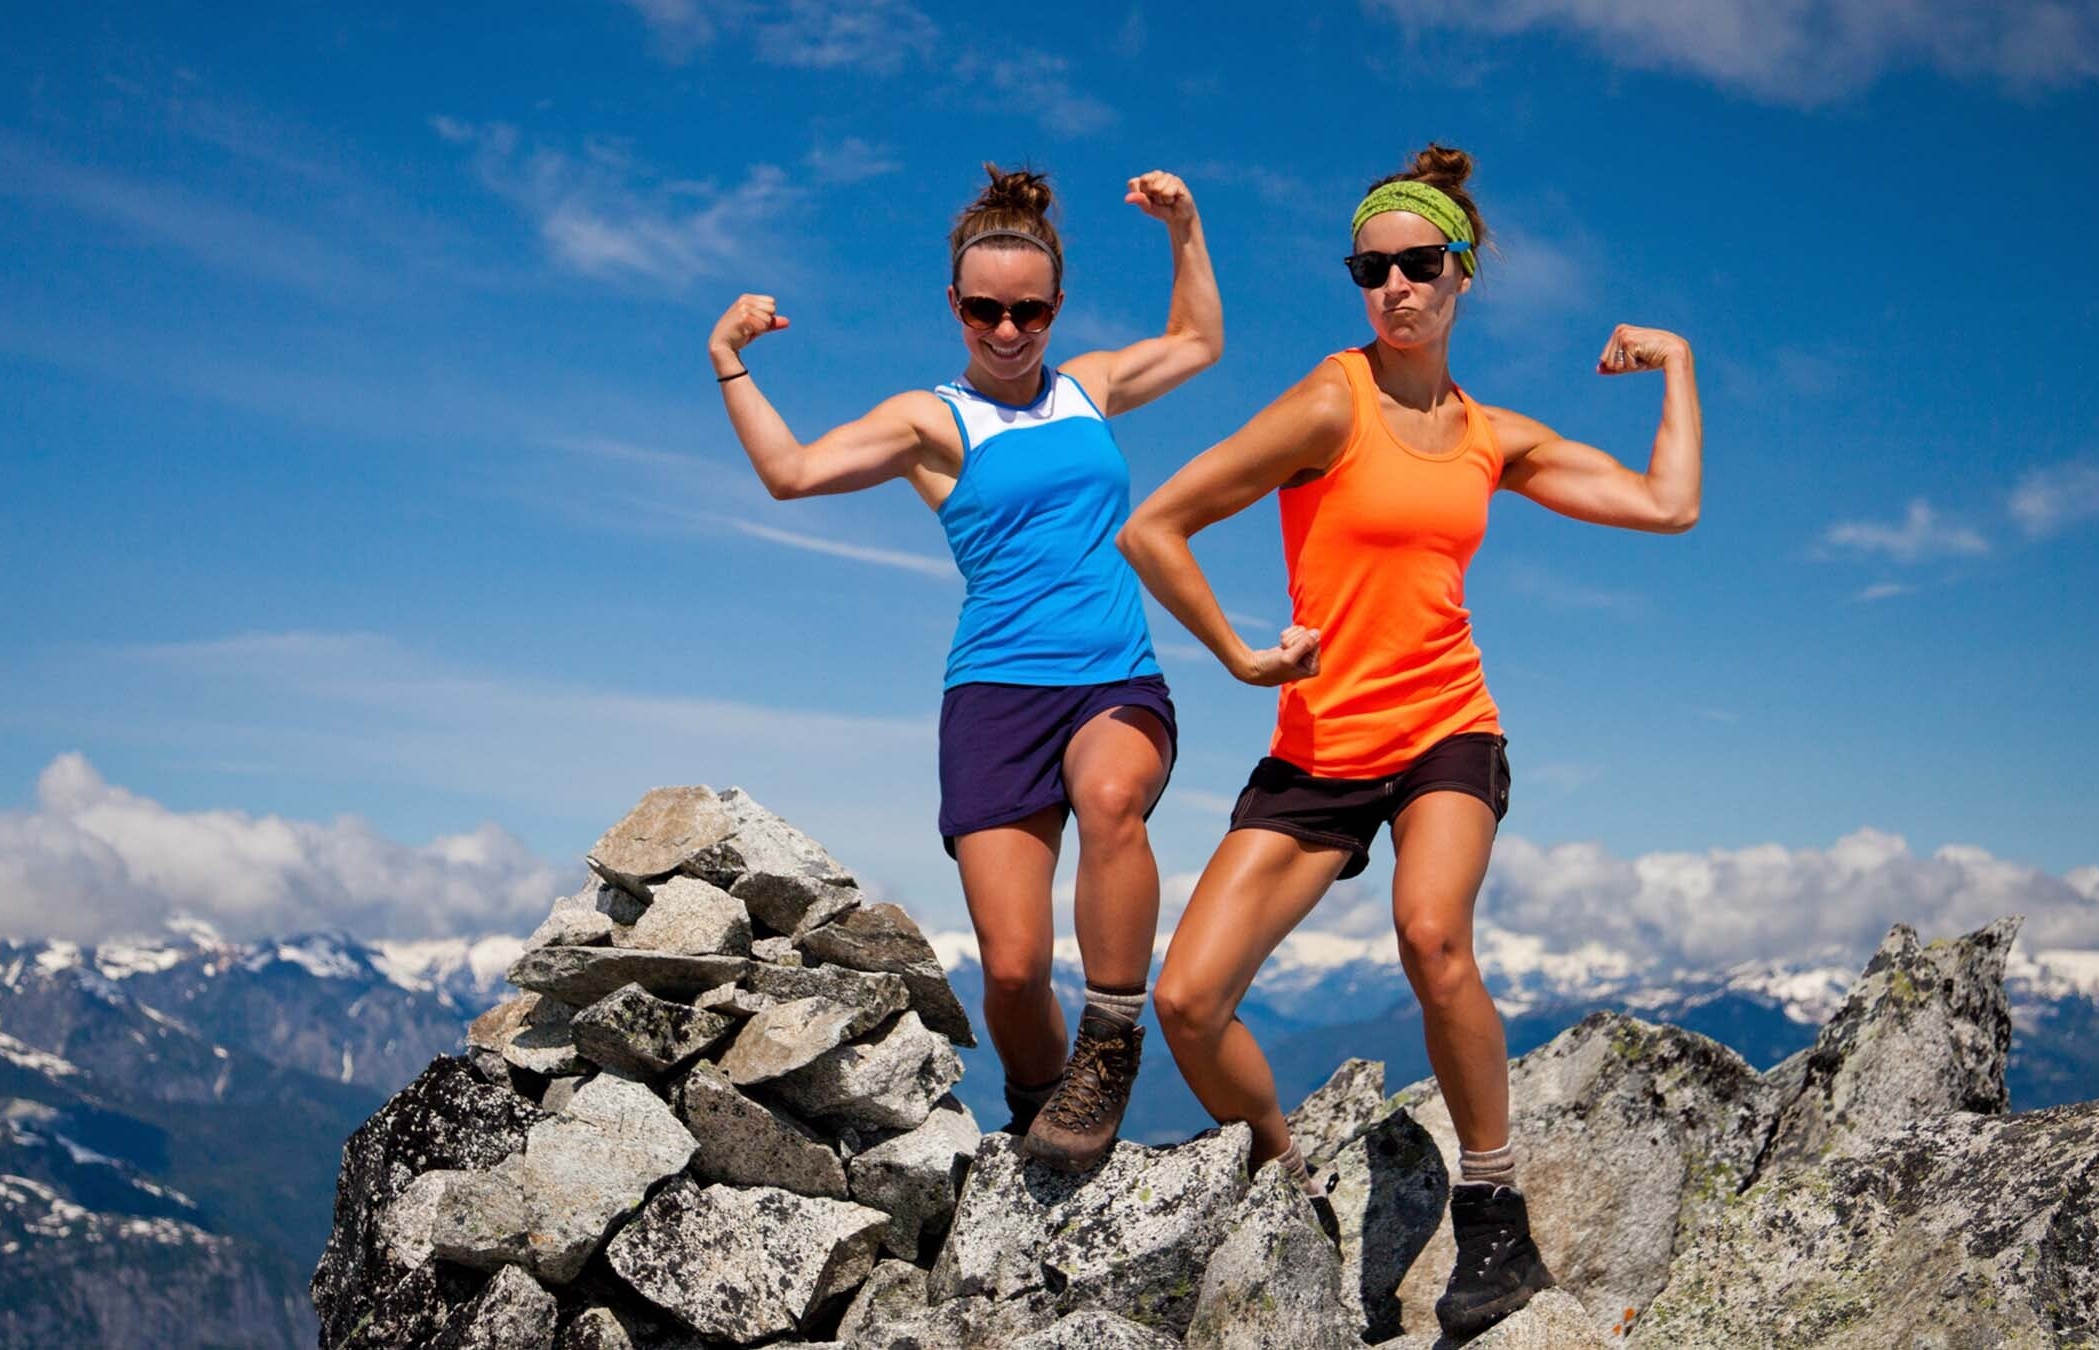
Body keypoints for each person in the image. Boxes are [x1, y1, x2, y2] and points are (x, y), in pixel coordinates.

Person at [1118, 143, 1701, 1339]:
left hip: (1446, 727)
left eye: (1416, 264)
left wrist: (1677, 364)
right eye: (1369, 267)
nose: (1392, 287)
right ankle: (1287, 1183)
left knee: (1433, 935)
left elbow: (1667, 503)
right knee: (1186, 1001)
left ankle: (1494, 1215)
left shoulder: (1493, 437)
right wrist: (1237, 652)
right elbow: (1157, 525)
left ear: (1462, 274)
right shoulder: (1332, 401)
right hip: (1321, 745)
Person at [707, 164, 1223, 1172]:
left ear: (1055, 307)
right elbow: (791, 473)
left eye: (1028, 310)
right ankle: (1041, 1113)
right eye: (984, 309)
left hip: (1114, 674)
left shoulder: (1092, 387)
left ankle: (1110, 1043)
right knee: (1016, 967)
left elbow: (1200, 340)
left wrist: (1186, 230)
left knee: (1114, 799)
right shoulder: (928, 421)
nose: (1006, 329)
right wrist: (729, 359)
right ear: (955, 306)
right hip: (993, 695)